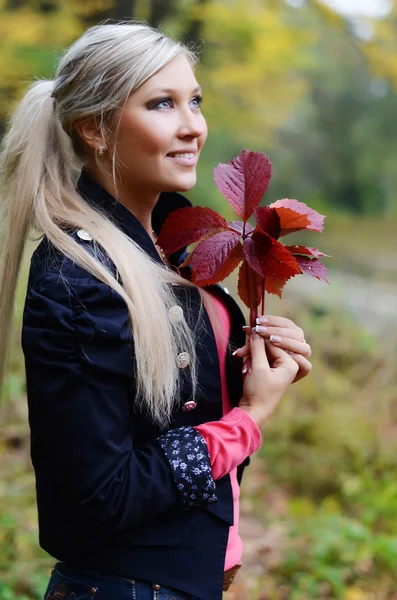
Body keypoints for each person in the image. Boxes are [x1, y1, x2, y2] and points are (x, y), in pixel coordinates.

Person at [0, 21, 312, 600]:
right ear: (94, 127)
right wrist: (249, 419)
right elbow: (104, 493)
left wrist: (255, 366)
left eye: (194, 100)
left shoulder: (177, 244)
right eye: (162, 103)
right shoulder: (78, 277)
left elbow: (165, 409)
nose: (193, 125)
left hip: (190, 577)